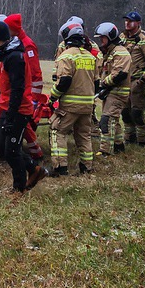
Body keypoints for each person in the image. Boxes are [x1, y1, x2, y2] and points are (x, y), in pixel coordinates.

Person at [0, 20, 47, 193]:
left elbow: (18, 88)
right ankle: (34, 168)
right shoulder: (6, 53)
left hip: (18, 109)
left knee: (12, 151)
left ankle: (19, 188)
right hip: (7, 106)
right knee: (1, 146)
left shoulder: (15, 57)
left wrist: (11, 115)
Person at [49, 21, 98, 175]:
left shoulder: (66, 56)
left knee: (58, 131)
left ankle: (60, 167)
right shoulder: (90, 57)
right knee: (84, 135)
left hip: (69, 106)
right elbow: (97, 83)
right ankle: (86, 167)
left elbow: (64, 82)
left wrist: (52, 97)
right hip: (88, 105)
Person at [94, 21, 132, 154]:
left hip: (118, 92)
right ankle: (118, 146)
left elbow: (120, 74)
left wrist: (103, 84)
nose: (101, 40)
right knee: (113, 120)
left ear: (110, 37)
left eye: (102, 38)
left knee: (107, 120)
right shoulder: (108, 52)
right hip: (110, 91)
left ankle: (106, 150)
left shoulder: (121, 52)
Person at [121, 11, 145, 147]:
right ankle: (129, 138)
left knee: (137, 112)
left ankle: (141, 140)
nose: (127, 23)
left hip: (137, 80)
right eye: (126, 21)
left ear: (138, 23)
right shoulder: (122, 37)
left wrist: (143, 79)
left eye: (130, 21)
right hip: (123, 81)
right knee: (125, 112)